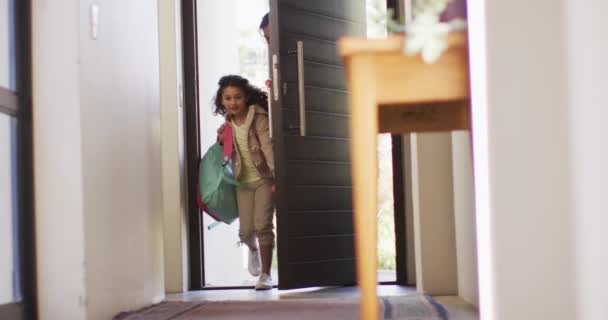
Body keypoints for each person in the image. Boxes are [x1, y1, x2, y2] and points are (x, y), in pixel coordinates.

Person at [214, 75, 275, 290]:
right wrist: (222, 141)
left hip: (264, 179)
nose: (233, 102)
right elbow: (227, 155)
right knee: (246, 232)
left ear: (246, 97)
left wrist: (277, 178)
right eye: (228, 98)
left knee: (263, 225)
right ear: (222, 101)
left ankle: (266, 275)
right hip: (243, 182)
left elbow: (268, 148)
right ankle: (253, 250)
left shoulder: (258, 118)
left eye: (237, 97)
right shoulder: (228, 124)